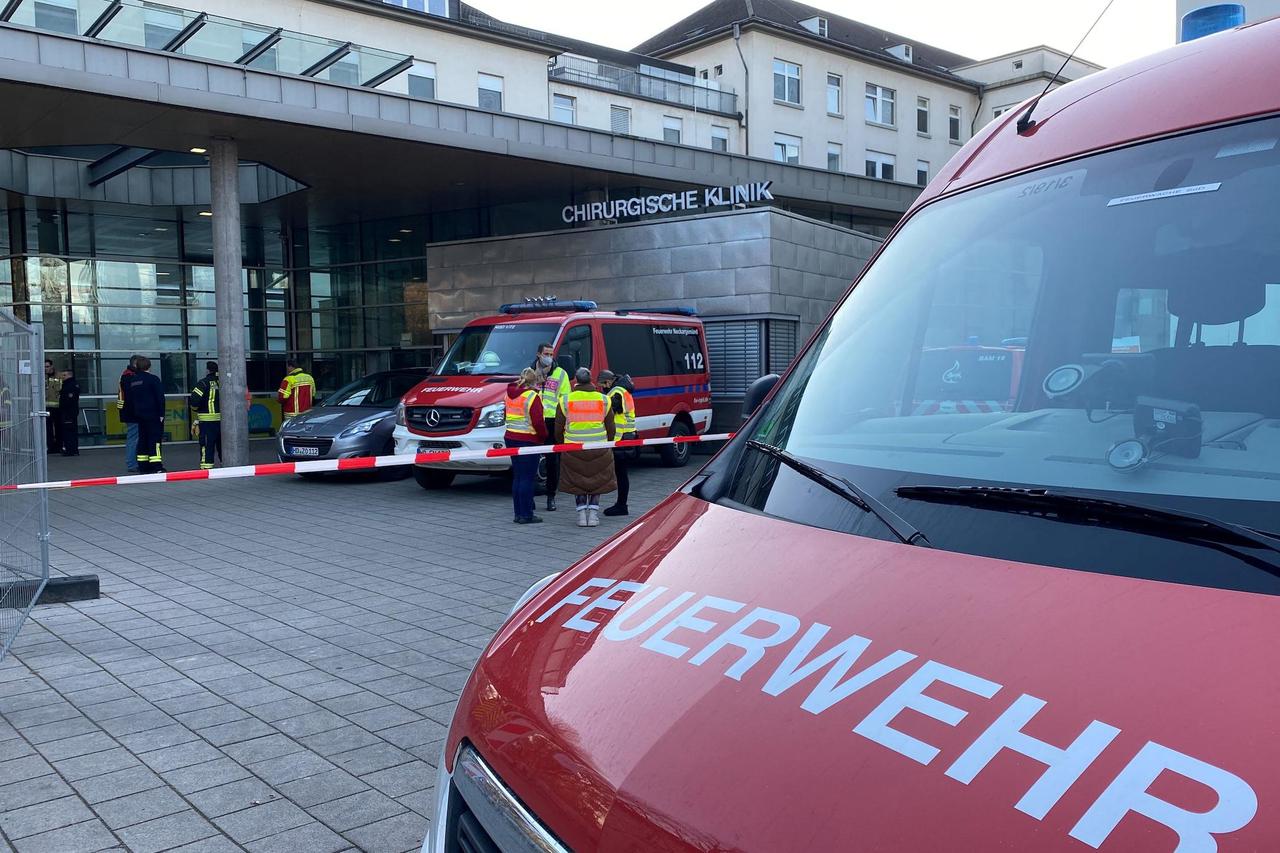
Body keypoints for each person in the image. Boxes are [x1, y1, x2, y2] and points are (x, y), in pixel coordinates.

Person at [555, 367, 616, 528]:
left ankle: (582, 516)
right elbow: (611, 427)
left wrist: (562, 445)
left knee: (578, 482)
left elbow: (558, 428)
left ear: (575, 379)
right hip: (599, 446)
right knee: (597, 481)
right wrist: (607, 443)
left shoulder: (565, 400)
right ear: (591, 380)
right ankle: (594, 516)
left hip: (573, 447)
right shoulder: (604, 399)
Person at [505, 367, 548, 524]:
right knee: (527, 478)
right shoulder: (532, 397)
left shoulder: (509, 394)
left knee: (518, 476)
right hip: (528, 439)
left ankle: (518, 513)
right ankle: (526, 514)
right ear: (534, 381)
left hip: (510, 436)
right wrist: (543, 437)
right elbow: (538, 422)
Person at [532, 342, 570, 511]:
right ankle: (530, 495)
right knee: (530, 458)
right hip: (533, 421)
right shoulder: (530, 373)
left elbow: (565, 399)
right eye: (546, 354)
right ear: (538, 354)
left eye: (551, 354)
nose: (549, 357)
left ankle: (551, 496)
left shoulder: (561, 374)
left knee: (552, 461)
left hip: (552, 421)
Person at [598, 370, 636, 517]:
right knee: (621, 473)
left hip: (621, 438)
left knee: (621, 473)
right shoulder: (622, 390)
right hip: (627, 436)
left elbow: (609, 412)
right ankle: (621, 504)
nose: (602, 387)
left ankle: (621, 505)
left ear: (607, 381)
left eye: (602, 384)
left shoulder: (617, 393)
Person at [128, 356, 165, 473]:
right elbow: (160, 397)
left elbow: (132, 399)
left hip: (139, 415)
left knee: (143, 440)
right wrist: (161, 414)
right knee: (155, 440)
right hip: (153, 414)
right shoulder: (153, 379)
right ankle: (156, 466)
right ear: (149, 366)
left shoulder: (134, 380)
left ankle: (143, 465)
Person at [189, 361, 221, 470]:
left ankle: (206, 467)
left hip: (207, 421)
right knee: (223, 445)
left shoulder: (203, 383)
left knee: (207, 445)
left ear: (207, 370)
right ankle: (226, 466)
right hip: (223, 421)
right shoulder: (223, 382)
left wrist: (196, 409)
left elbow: (194, 400)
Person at [119, 356, 140, 473]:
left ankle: (134, 462)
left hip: (129, 412)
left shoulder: (126, 375)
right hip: (132, 413)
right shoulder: (129, 377)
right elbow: (132, 397)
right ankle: (132, 463)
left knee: (134, 438)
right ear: (135, 364)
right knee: (133, 438)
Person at [58, 367, 80, 457]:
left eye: (64, 375)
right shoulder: (72, 384)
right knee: (72, 431)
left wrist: (63, 408)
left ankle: (70, 450)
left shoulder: (70, 385)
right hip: (71, 411)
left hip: (68, 412)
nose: (63, 377)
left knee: (68, 431)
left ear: (70, 375)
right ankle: (73, 449)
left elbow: (69, 399)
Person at [43, 360, 61, 454]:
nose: (46, 369)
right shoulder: (43, 377)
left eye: (47, 366)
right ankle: (50, 447)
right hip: (46, 406)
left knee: (58, 427)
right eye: (44, 367)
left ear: (52, 366)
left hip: (57, 407)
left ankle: (59, 446)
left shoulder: (59, 376)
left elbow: (60, 389)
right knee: (48, 429)